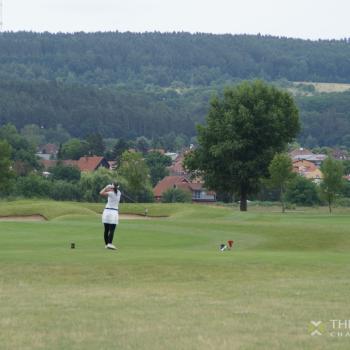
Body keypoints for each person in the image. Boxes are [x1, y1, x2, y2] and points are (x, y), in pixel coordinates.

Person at [99, 182, 121, 250]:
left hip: (106, 212)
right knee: (112, 229)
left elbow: (101, 193)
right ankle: (110, 244)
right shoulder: (119, 193)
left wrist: (106, 187)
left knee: (106, 229)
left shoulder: (110, 193)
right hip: (113, 212)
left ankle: (107, 244)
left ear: (112, 187)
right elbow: (114, 190)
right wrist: (110, 187)